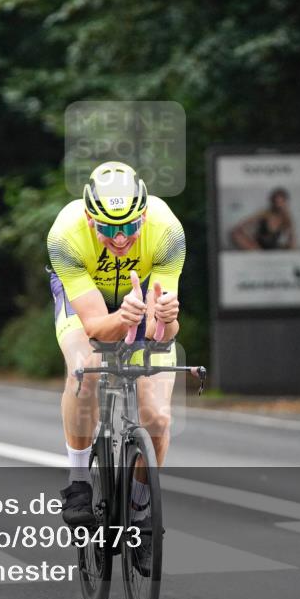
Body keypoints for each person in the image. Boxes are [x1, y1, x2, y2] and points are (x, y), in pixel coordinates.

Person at [46, 161, 185, 542]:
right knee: (85, 368)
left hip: (139, 303)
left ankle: (141, 508)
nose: (120, 238)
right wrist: (122, 318)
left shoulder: (167, 231)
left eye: (129, 226)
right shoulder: (66, 235)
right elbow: (94, 328)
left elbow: (163, 335)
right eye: (108, 228)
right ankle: (78, 482)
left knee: (156, 417)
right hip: (86, 301)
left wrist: (168, 318)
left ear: (144, 216)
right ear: (91, 220)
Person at [230, 186, 296, 250]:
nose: (278, 205)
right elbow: (243, 224)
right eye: (276, 202)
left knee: (291, 246)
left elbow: (291, 239)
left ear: (285, 203)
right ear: (272, 202)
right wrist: (249, 237)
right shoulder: (264, 213)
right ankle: (258, 253)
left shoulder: (286, 217)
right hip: (257, 246)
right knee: (234, 233)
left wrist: (290, 246)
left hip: (272, 248)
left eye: (281, 202)